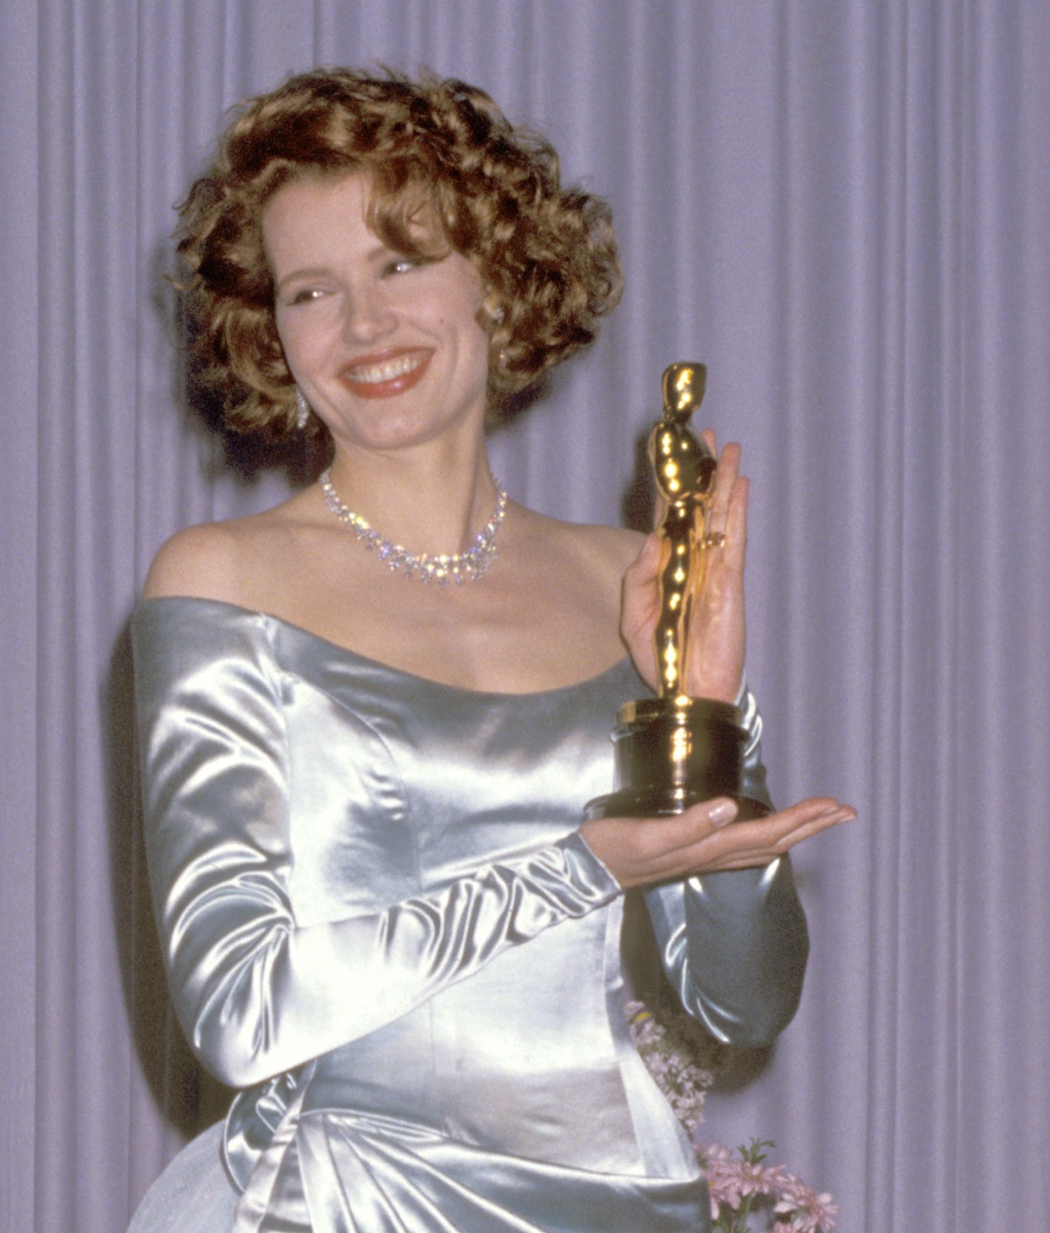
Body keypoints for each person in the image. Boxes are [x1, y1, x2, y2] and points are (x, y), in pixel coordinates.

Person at [130, 68, 855, 1233]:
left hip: (623, 1207)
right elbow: (238, 1012)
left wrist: (702, 720)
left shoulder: (618, 576)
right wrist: (582, 868)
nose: (362, 326)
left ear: (499, 278)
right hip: (342, 1207)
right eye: (311, 290)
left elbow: (740, 1005)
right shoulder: (221, 577)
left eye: (400, 264)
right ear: (271, 331)